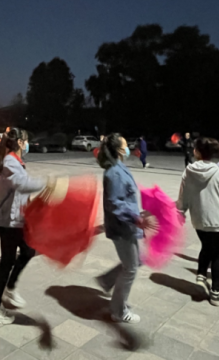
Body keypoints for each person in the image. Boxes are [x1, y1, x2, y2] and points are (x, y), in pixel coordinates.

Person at [0, 128, 50, 324]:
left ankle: (10, 287)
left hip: (16, 218)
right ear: (20, 143)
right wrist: (47, 183)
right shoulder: (10, 162)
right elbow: (23, 184)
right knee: (7, 262)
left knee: (28, 251)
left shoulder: (16, 161)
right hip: (8, 221)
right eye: (26, 140)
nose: (27, 144)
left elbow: (22, 189)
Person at [95, 134, 154, 323]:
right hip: (121, 227)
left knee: (136, 261)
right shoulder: (114, 173)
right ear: (119, 150)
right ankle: (119, 311)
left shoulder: (118, 168)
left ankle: (107, 280)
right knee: (131, 268)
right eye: (125, 144)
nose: (128, 147)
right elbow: (115, 203)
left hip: (127, 225)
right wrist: (135, 217)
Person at [177, 137, 219, 306]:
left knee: (206, 246)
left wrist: (180, 212)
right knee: (218, 256)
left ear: (196, 152)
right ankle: (216, 294)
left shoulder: (188, 172)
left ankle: (201, 275)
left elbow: (183, 197)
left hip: (199, 220)